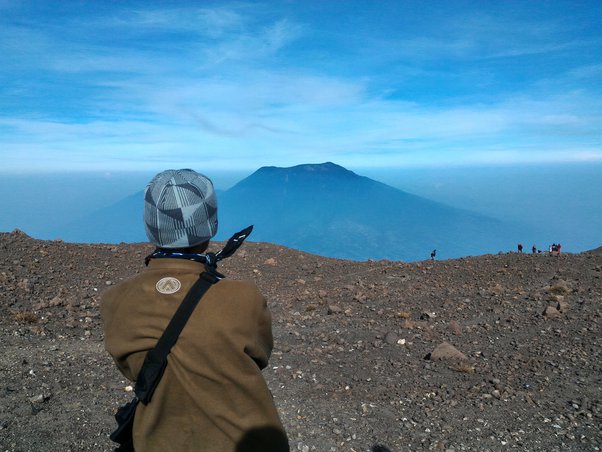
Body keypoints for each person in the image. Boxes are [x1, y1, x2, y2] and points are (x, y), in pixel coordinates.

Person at [101, 169, 289, 451]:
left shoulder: (114, 300)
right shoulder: (244, 297)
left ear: (150, 226)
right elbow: (259, 357)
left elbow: (132, 370)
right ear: (210, 224)